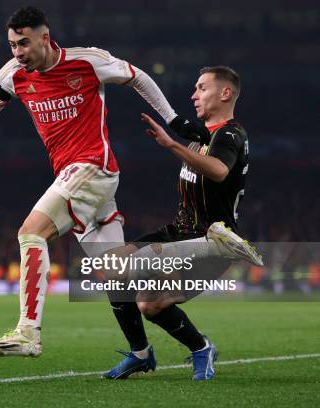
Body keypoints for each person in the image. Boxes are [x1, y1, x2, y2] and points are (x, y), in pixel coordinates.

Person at [0, 6, 208, 357]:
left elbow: (138, 76)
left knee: (31, 232)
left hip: (93, 166)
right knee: (115, 276)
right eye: (13, 45)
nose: (18, 52)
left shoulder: (87, 62)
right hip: (73, 176)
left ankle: (28, 332)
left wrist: (175, 120)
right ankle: (164, 344)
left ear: (45, 38)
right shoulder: (14, 75)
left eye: (24, 44)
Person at [103, 66, 262, 381]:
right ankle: (141, 354)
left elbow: (218, 171)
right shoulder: (202, 136)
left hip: (212, 241)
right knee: (114, 269)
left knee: (147, 295)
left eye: (202, 87)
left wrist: (171, 145)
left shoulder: (230, 134)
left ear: (225, 93)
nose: (194, 94)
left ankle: (201, 349)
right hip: (179, 230)